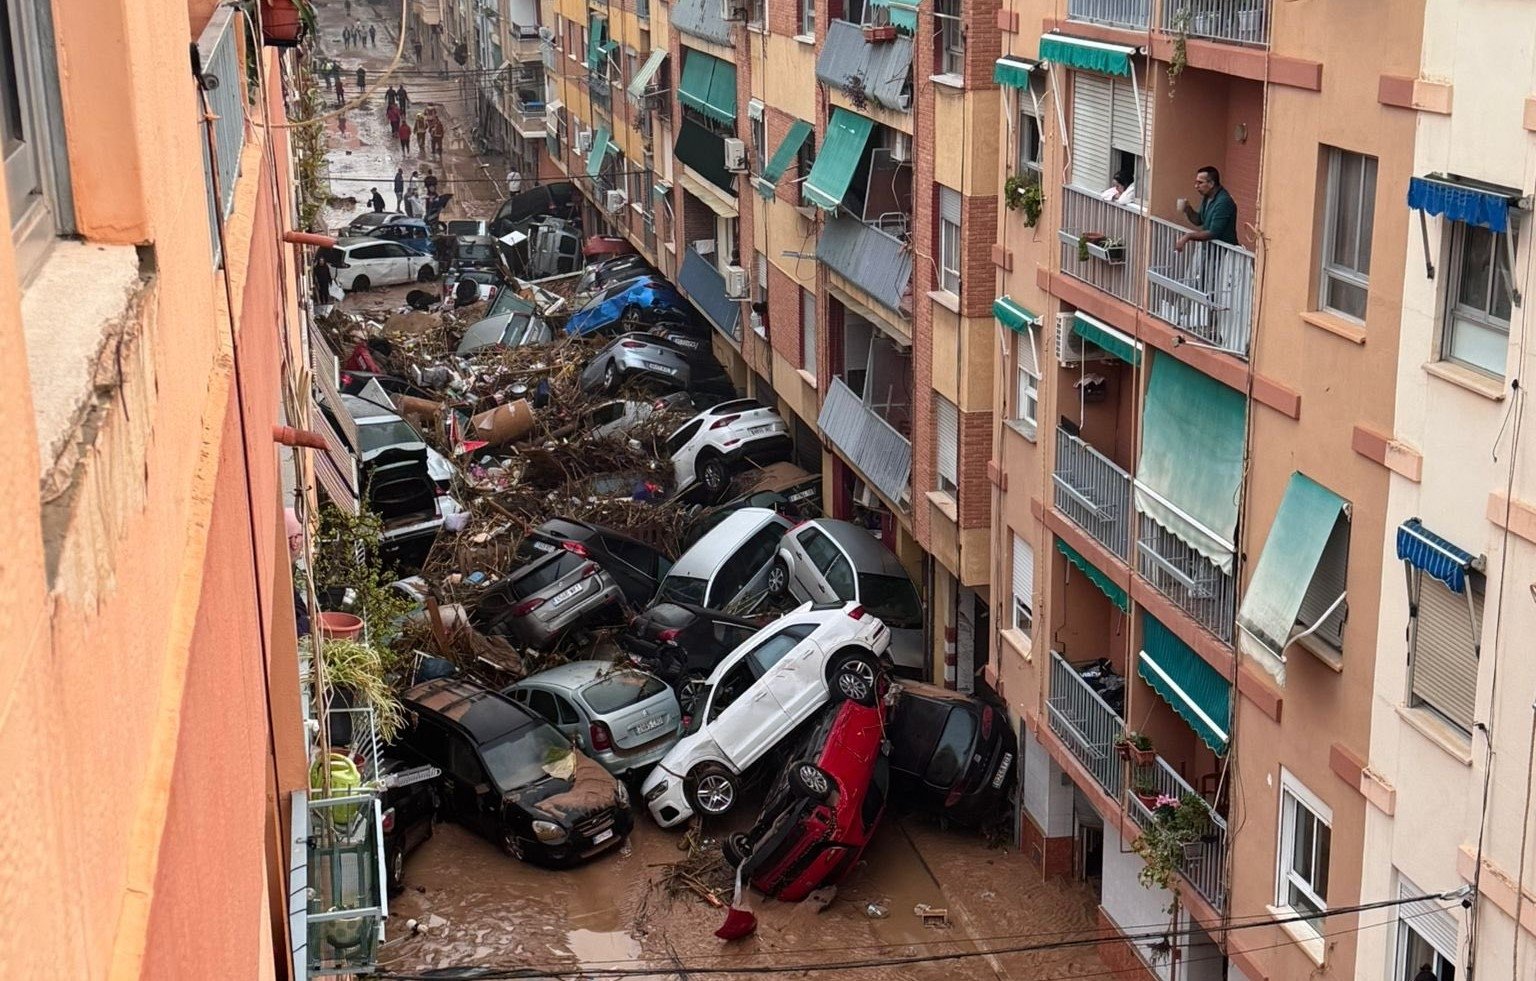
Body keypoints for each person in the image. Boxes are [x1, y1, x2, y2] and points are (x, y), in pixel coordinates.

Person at [1174, 165, 1238, 251]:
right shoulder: (1207, 196)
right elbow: (1199, 220)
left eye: (1200, 183)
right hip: (1210, 251)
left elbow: (1213, 233)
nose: (1196, 186)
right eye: (1196, 182)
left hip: (1224, 253)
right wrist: (1188, 209)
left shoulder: (1223, 201)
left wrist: (1188, 236)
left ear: (1211, 184)